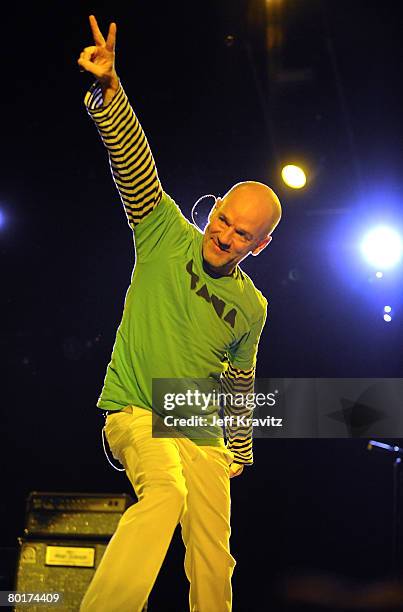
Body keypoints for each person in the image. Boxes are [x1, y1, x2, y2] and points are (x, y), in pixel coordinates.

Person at [78, 14, 282, 612]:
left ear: (258, 246)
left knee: (215, 554)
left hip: (203, 431)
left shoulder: (252, 306)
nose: (223, 236)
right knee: (163, 492)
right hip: (138, 411)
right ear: (213, 208)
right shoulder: (164, 232)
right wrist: (111, 93)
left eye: (241, 235)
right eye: (222, 219)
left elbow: (238, 383)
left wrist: (238, 452)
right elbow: (134, 166)